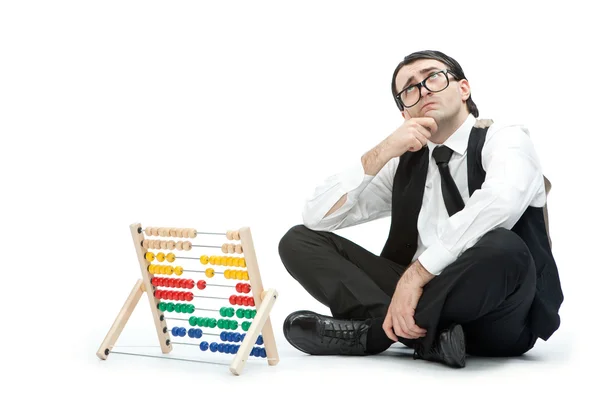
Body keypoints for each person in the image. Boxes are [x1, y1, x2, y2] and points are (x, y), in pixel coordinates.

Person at [277, 50, 563, 368]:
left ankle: (373, 334)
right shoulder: (408, 162)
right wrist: (384, 150)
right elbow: (318, 216)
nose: (423, 89)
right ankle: (430, 338)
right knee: (298, 240)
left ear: (463, 88)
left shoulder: (505, 138)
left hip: (499, 314)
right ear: (405, 115)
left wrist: (416, 276)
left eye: (433, 77)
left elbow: (502, 202)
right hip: (419, 297)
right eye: (410, 89)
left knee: (504, 247)